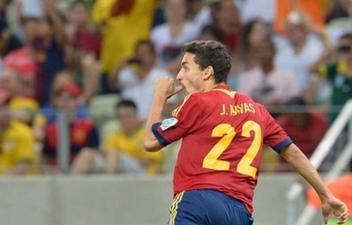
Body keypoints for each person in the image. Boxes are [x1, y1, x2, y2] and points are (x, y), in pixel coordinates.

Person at [143, 40, 348, 225]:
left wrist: (160, 97)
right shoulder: (257, 110)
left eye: (186, 68)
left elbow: (151, 141)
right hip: (238, 212)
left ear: (207, 72)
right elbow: (292, 153)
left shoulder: (197, 102)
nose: (179, 75)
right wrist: (326, 195)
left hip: (196, 201)